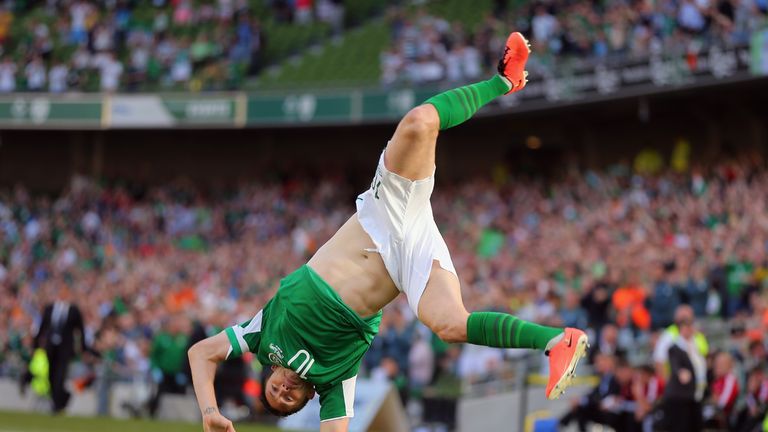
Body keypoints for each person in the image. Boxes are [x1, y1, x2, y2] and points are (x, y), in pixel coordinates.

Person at [188, 31, 589, 432]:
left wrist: (209, 413)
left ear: (268, 374)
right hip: (405, 259)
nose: (284, 390)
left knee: (418, 123)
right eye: (289, 399)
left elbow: (201, 353)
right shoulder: (333, 382)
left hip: (379, 216)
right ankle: (557, 341)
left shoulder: (261, 333)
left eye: (274, 390)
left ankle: (504, 81)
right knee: (449, 323)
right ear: (307, 398)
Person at [32, 287, 86, 413]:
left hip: (65, 349)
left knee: (60, 376)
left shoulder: (73, 311)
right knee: (51, 375)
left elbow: (80, 330)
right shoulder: (50, 309)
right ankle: (60, 399)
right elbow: (42, 328)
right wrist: (35, 346)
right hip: (51, 348)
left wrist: (82, 347)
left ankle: (57, 405)